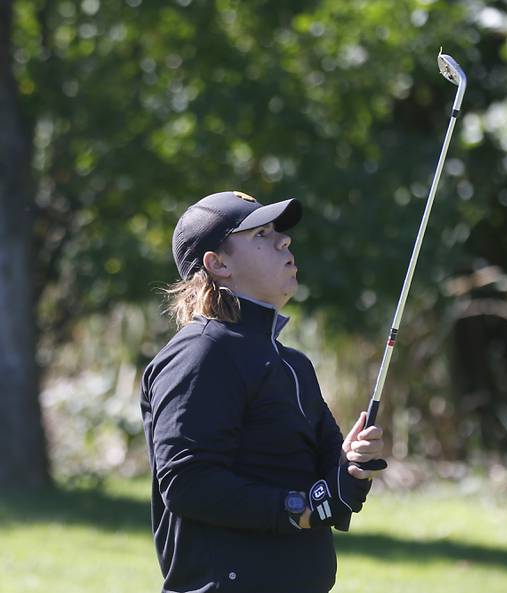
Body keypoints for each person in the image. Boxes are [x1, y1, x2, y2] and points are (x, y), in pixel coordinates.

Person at [139, 190, 386, 593]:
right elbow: (188, 483)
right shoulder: (202, 352)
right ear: (218, 264)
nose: (283, 241)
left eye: (278, 232)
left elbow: (327, 491)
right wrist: (297, 509)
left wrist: (350, 467)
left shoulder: (294, 364)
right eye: (260, 235)